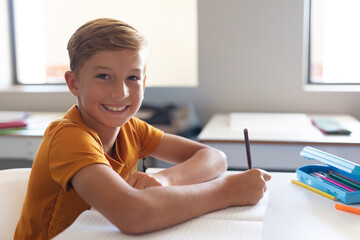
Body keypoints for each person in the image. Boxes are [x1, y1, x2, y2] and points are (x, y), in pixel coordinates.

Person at [14, 18, 271, 239]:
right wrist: (227, 191)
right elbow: (133, 213)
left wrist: (164, 179)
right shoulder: (69, 137)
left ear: (144, 83)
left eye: (133, 78)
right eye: (103, 76)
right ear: (74, 83)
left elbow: (214, 157)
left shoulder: (132, 129)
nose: (120, 92)